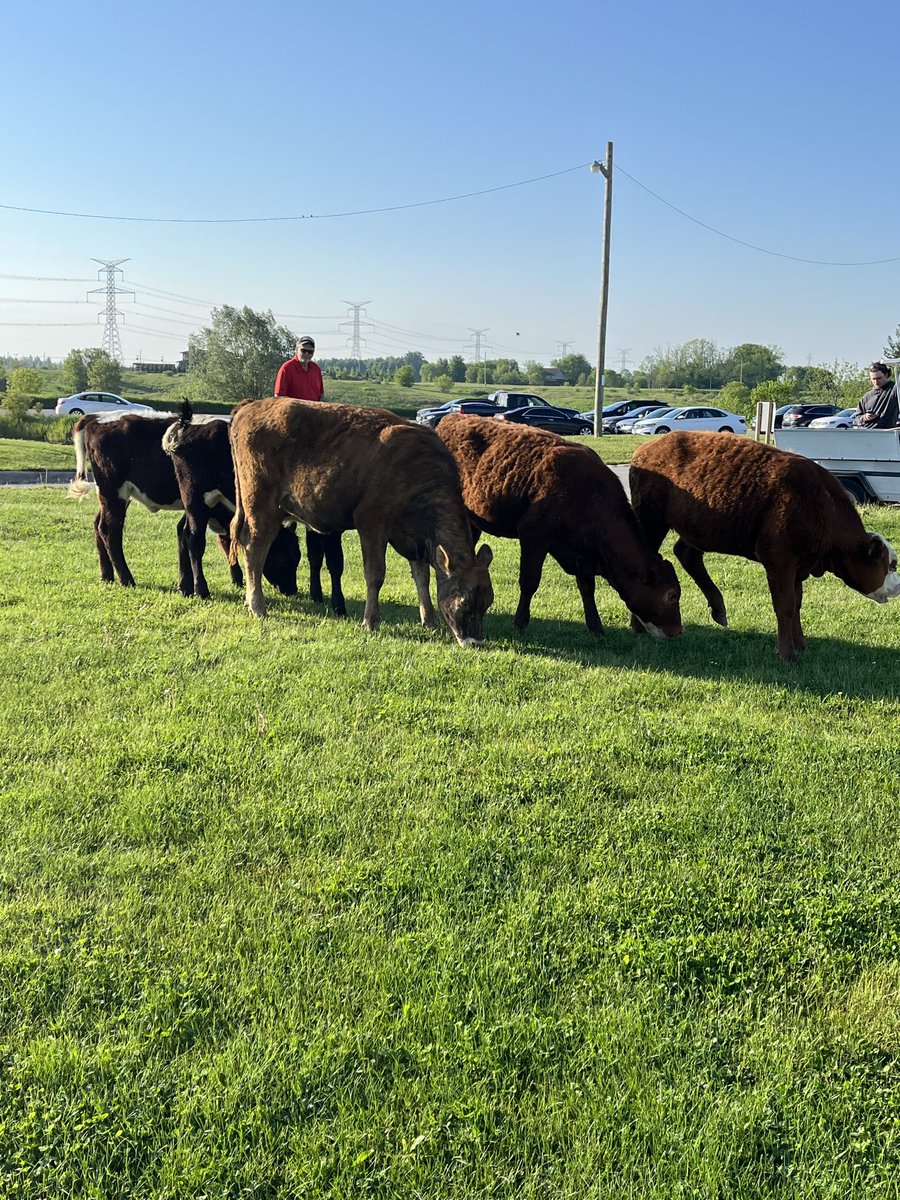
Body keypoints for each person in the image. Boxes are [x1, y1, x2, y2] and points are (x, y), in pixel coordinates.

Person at [274, 336, 325, 402]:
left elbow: (321, 394)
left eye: (310, 352)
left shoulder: (316, 369)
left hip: (314, 411)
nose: (307, 354)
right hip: (294, 411)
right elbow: (279, 397)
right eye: (303, 350)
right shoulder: (286, 368)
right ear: (296, 350)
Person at [853, 361, 898, 428]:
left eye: (879, 378)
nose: (876, 382)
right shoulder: (866, 397)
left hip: (887, 434)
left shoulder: (894, 390)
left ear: (886, 375)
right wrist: (865, 417)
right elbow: (856, 420)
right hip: (867, 433)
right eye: (873, 379)